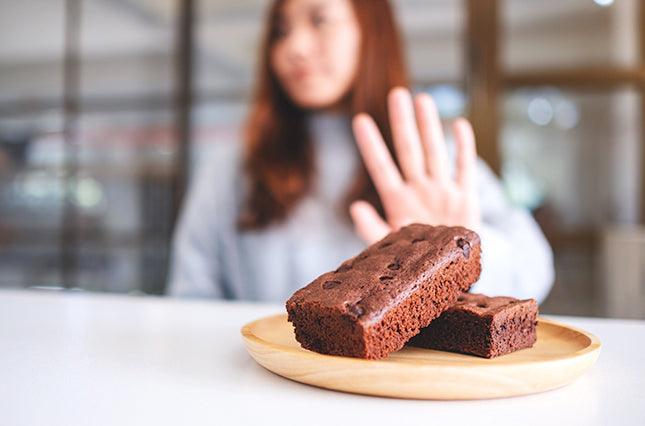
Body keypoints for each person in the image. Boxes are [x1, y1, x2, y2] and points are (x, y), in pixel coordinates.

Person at [167, 0, 554, 304]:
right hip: (260, 387)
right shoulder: (234, 169)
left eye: (319, 20)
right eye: (280, 31)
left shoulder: (431, 161)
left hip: (401, 394)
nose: (294, 47)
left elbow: (533, 272)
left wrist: (456, 251)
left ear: (371, 33)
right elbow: (191, 296)